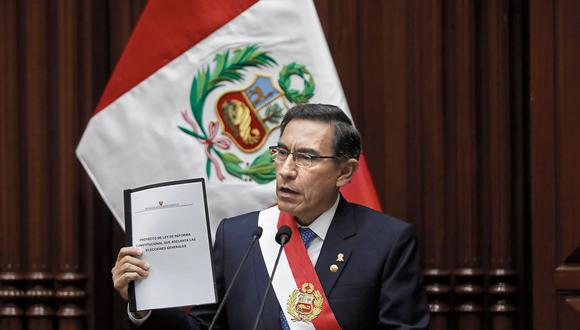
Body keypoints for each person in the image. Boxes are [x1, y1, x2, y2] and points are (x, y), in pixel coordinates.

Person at [112, 104, 430, 329]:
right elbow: (204, 326)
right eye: (281, 153)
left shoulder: (388, 242)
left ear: (344, 172)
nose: (286, 170)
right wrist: (146, 306)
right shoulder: (238, 236)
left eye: (306, 157)